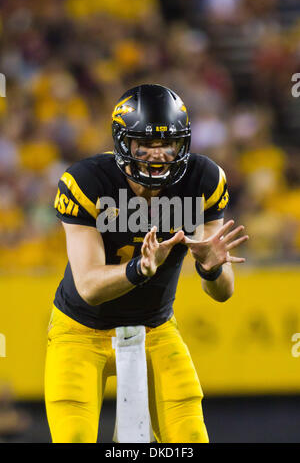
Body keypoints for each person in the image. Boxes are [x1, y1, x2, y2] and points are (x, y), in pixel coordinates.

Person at [45, 84, 248, 443]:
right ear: (124, 144)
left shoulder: (203, 180)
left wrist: (211, 268)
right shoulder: (87, 181)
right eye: (146, 144)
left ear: (182, 144)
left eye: (167, 144)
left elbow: (222, 292)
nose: (158, 155)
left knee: (190, 438)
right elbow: (89, 287)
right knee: (73, 437)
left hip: (155, 328)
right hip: (80, 331)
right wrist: (140, 269)